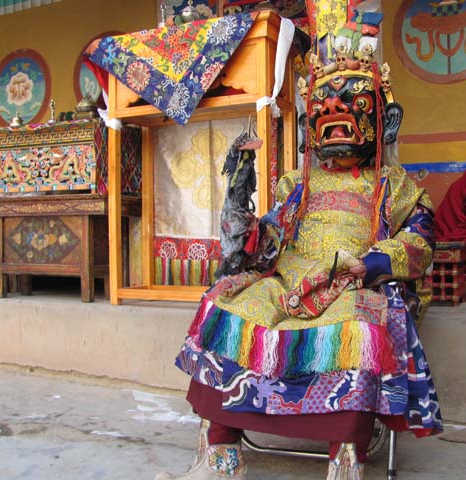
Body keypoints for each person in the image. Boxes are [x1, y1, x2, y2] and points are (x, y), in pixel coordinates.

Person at [155, 2, 441, 479]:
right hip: (287, 278)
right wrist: (239, 207)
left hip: (352, 282)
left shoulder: (396, 186)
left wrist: (370, 263)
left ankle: (344, 461)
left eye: (351, 101)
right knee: (226, 304)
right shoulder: (296, 185)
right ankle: (221, 456)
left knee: (355, 327)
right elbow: (266, 242)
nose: (333, 109)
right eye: (323, 104)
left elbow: (420, 241)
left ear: (385, 120)